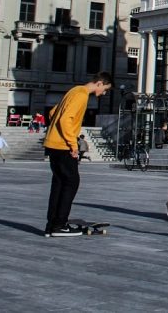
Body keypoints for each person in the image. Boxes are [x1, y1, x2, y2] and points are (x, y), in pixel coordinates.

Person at [43, 72, 113, 236]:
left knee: (59, 183)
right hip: (63, 146)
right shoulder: (82, 94)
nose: (103, 93)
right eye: (105, 90)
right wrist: (72, 143)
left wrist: (55, 132)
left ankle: (52, 225)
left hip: (53, 144)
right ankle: (59, 225)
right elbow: (65, 119)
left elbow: (54, 112)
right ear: (100, 83)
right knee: (71, 182)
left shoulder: (73, 90)